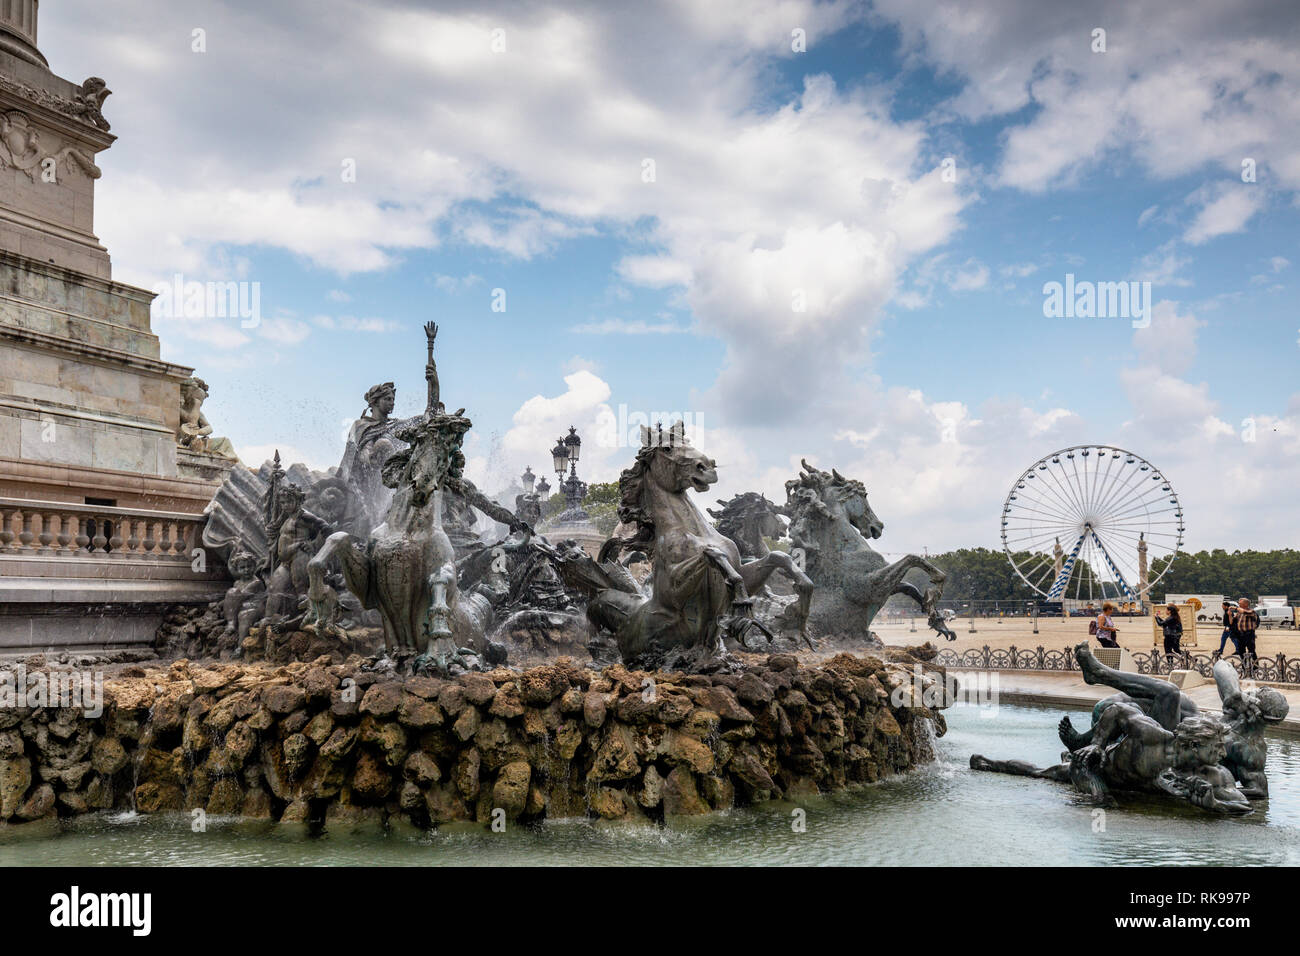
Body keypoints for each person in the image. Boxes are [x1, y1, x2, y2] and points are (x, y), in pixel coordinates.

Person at [1235, 597, 1260, 671]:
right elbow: (1233, 620)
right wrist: (1229, 615)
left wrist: (1236, 608)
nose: (1239, 604)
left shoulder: (1251, 611)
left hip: (1249, 634)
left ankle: (1255, 667)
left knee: (1251, 651)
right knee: (1241, 651)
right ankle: (1245, 666)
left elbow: (1245, 612)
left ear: (1246, 604)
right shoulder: (1239, 612)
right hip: (1241, 634)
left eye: (1240, 603)